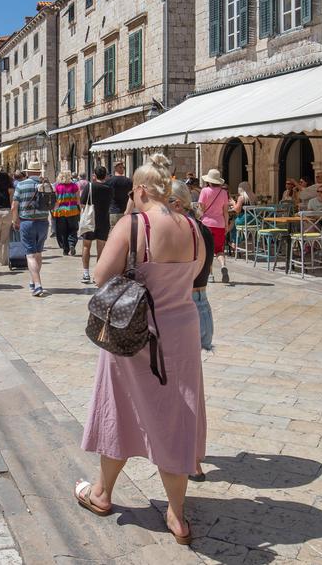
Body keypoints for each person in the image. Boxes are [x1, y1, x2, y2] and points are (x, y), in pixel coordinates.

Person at [75, 154, 207, 544]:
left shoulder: (133, 225)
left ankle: (101, 493)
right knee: (175, 414)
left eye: (134, 190)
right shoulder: (193, 227)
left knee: (120, 408)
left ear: (142, 189)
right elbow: (197, 275)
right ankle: (177, 516)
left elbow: (101, 276)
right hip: (181, 332)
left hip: (134, 331)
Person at [169, 179, 215, 351]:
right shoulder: (203, 228)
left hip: (184, 305)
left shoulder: (183, 231)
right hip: (202, 305)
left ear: (178, 204)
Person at [12, 163, 50, 297]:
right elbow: (54, 204)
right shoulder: (46, 184)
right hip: (43, 222)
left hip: (27, 222)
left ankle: (38, 285)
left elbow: (14, 206)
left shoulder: (21, 185)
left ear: (28, 172)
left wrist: (15, 220)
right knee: (38, 253)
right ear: (39, 172)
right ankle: (32, 281)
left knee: (30, 255)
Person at [196, 169, 231, 285]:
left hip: (207, 224)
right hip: (220, 224)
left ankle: (210, 275)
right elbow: (226, 211)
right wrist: (226, 225)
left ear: (209, 181)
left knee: (207, 250)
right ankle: (223, 265)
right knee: (219, 249)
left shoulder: (205, 191)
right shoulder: (224, 193)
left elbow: (201, 209)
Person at [80, 167, 113, 284]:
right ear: (106, 176)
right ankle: (98, 275)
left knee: (86, 246)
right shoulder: (109, 189)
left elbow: (82, 203)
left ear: (94, 175)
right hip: (103, 221)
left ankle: (85, 273)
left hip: (90, 220)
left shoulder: (89, 187)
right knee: (101, 250)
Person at [51, 171, 81, 256]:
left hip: (60, 212)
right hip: (73, 211)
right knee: (73, 229)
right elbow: (78, 199)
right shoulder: (74, 186)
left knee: (62, 231)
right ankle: (72, 244)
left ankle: (65, 248)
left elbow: (55, 200)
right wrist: (79, 209)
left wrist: (53, 211)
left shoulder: (57, 187)